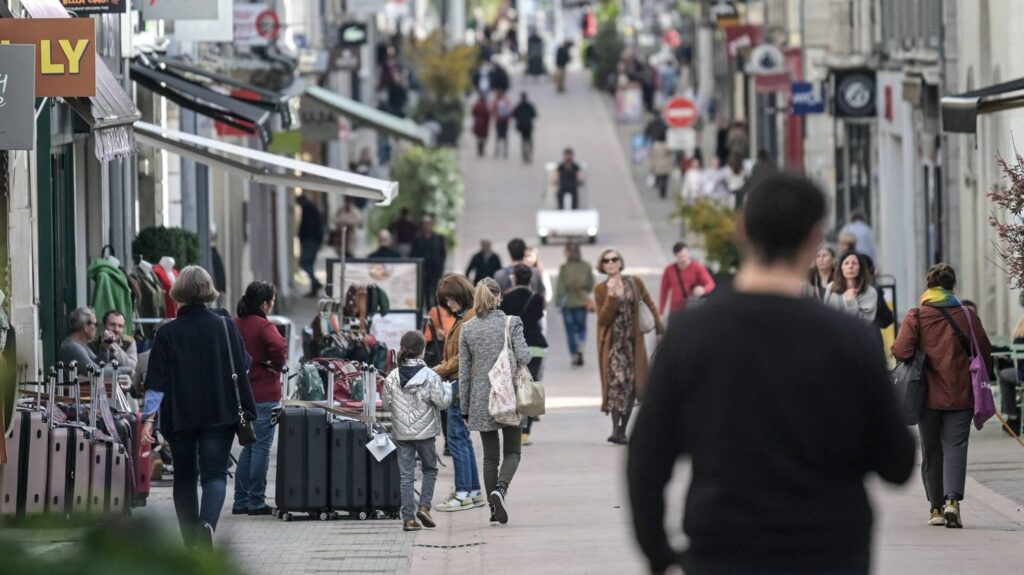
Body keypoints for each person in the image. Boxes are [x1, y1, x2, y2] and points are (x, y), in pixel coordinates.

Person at [629, 173, 915, 575]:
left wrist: (659, 553)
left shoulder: (692, 335)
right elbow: (897, 463)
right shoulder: (849, 339)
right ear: (815, 237)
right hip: (829, 552)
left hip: (725, 550)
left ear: (742, 231)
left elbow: (646, 458)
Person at [141, 266, 257, 548]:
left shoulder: (167, 333)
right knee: (215, 474)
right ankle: (207, 524)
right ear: (208, 291)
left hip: (181, 415)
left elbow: (156, 383)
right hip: (220, 410)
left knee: (184, 476)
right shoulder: (224, 325)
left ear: (179, 291)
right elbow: (244, 364)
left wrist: (148, 420)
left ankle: (190, 543)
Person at [892, 263, 993, 529]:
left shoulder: (917, 315)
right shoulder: (967, 315)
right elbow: (984, 350)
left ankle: (935, 508)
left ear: (928, 286)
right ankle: (952, 502)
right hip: (961, 394)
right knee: (956, 447)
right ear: (952, 286)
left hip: (927, 395)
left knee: (932, 450)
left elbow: (901, 351)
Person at [459, 278, 531, 525]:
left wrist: (464, 407)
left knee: (490, 457)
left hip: (481, 398)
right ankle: (500, 489)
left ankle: (492, 509)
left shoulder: (467, 328)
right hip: (510, 395)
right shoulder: (511, 323)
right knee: (512, 451)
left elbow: (464, 372)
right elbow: (525, 356)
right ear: (499, 296)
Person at [382, 331, 452, 532]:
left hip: (402, 433)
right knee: (430, 469)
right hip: (425, 434)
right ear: (423, 351)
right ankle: (424, 506)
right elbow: (442, 402)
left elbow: (386, 404)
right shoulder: (431, 375)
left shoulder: (393, 377)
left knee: (406, 475)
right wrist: (447, 388)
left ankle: (408, 520)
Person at [594, 248, 663, 444]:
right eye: (606, 261)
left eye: (614, 259)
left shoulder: (634, 282)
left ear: (620, 262)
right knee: (617, 384)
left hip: (633, 343)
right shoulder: (600, 289)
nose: (610, 263)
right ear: (602, 265)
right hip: (613, 345)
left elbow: (649, 304)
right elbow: (603, 319)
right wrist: (612, 297)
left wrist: (659, 328)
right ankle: (615, 429)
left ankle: (623, 429)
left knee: (633, 386)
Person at [230, 281, 287, 517]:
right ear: (264, 303)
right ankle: (255, 501)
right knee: (261, 447)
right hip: (264, 394)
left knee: (247, 447)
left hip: (240, 395)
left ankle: (240, 500)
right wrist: (275, 365)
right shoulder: (265, 326)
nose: (272, 305)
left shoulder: (234, 324)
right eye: (272, 301)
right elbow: (278, 347)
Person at [432, 274, 486, 512]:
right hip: (461, 382)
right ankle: (472, 491)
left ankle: (463, 492)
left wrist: (439, 369)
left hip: (460, 384)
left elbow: (463, 357)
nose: (450, 304)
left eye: (452, 299)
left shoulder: (469, 319)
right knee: (462, 439)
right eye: (446, 301)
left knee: (456, 439)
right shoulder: (466, 316)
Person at [499, 265, 547, 446]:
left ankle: (514, 428)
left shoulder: (507, 298)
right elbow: (538, 317)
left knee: (513, 386)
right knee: (530, 386)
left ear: (515, 279)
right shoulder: (537, 298)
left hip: (513, 346)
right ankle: (526, 433)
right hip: (535, 345)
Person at [556, 242, 595, 367]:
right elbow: (591, 284)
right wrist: (585, 291)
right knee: (581, 327)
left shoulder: (564, 268)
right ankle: (581, 343)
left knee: (570, 330)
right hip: (581, 302)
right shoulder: (586, 266)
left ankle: (573, 354)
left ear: (568, 252)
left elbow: (560, 287)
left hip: (568, 302)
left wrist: (558, 302)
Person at [658, 242, 715, 318]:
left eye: (685, 256)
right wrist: (660, 311)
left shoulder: (697, 267)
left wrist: (704, 290)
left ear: (688, 253)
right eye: (680, 257)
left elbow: (711, 283)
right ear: (675, 256)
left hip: (693, 308)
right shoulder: (669, 270)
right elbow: (664, 291)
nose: (683, 259)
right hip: (675, 309)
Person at [824, 251, 878, 322]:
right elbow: (825, 314)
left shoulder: (869, 292)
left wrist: (851, 302)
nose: (850, 267)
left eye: (854, 263)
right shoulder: (831, 287)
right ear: (841, 267)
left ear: (860, 268)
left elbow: (865, 322)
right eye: (846, 263)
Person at [411, 215, 447, 310]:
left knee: (436, 293)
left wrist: (441, 267)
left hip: (435, 271)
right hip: (423, 271)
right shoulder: (417, 238)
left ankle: (437, 314)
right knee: (424, 294)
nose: (427, 226)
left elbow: (443, 254)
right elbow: (413, 254)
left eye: (429, 224)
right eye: (425, 224)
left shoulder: (438, 238)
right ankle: (426, 314)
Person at [997, 316, 1024, 434]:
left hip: (1022, 375)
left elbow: (1017, 361)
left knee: (1003, 375)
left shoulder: (1019, 337)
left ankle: (1012, 417)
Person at [296, 194, 325, 297]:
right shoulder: (310, 209)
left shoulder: (309, 209)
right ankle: (314, 287)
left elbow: (312, 226)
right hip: (311, 240)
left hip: (310, 241)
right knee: (309, 265)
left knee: (304, 263)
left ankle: (315, 283)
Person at [513, 93, 537, 164]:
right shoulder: (530, 105)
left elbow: (514, 114)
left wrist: (520, 118)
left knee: (523, 140)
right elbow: (534, 114)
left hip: (521, 126)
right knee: (529, 140)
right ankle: (529, 153)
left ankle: (524, 155)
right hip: (528, 126)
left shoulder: (518, 106)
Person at [492, 90, 513, 159]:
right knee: (505, 136)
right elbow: (510, 111)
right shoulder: (506, 101)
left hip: (499, 121)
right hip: (505, 121)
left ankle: (497, 150)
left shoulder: (496, 101)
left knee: (498, 136)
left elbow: (493, 111)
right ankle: (505, 151)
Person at [472, 93, 491, 158]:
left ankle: (479, 149)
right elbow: (488, 115)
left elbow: (473, 113)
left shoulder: (476, 105)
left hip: (478, 123)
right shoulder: (485, 106)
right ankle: (481, 149)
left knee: (479, 137)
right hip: (484, 124)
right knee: (482, 138)